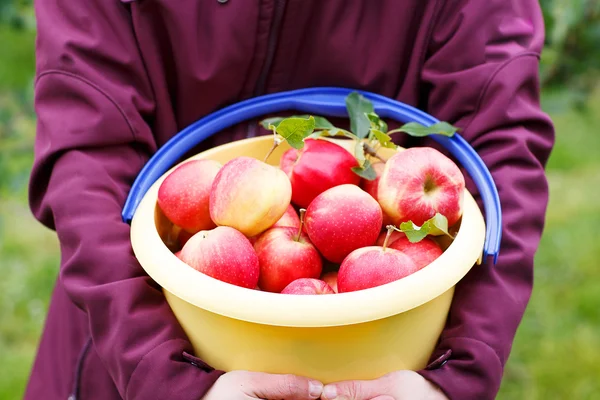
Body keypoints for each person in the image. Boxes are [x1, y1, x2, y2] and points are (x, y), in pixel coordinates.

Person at [25, 1, 554, 399]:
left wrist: (452, 378)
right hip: (134, 328)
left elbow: (499, 142)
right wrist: (168, 379)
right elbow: (87, 153)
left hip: (389, 359)